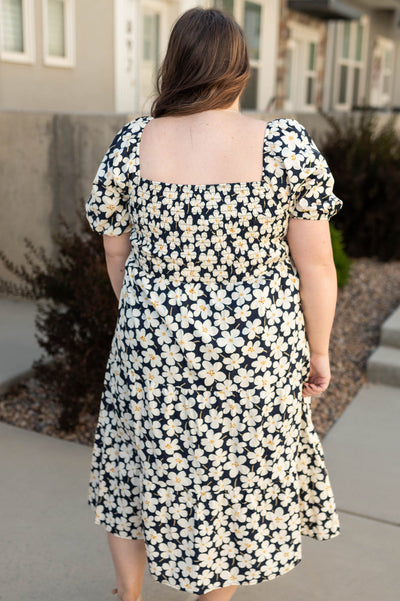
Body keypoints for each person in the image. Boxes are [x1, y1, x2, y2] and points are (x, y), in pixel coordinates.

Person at [85, 7, 343, 601]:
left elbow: (115, 251)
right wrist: (319, 350)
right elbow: (317, 267)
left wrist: (146, 316)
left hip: (153, 347)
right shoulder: (283, 145)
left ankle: (129, 595)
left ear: (175, 67)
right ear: (240, 70)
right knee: (231, 487)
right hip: (253, 354)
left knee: (133, 470)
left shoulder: (132, 143)